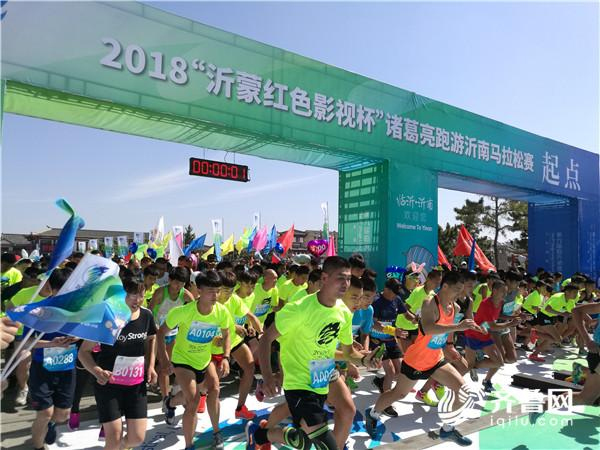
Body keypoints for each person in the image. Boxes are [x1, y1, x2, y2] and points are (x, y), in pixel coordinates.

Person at [246, 256, 380, 450]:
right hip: (299, 383)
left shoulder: (343, 313)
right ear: (324, 278)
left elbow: (349, 352)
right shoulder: (299, 309)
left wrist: (366, 360)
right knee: (323, 443)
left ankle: (259, 435)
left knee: (338, 417)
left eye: (348, 279)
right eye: (340, 278)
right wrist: (267, 377)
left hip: (324, 377)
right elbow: (266, 339)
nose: (345, 283)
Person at [365, 271, 484, 447]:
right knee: (399, 393)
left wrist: (450, 345)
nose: (460, 294)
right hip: (417, 360)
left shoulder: (455, 307)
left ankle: (447, 429)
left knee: (462, 390)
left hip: (436, 359)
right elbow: (428, 329)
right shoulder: (429, 303)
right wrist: (458, 326)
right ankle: (373, 414)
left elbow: (447, 331)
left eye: (462, 290)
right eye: (457, 289)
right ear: (445, 286)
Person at [78, 276, 157, 450]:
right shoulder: (108, 317)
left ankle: (121, 447)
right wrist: (97, 371)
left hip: (136, 385)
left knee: (137, 438)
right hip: (109, 385)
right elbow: (83, 352)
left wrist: (151, 366)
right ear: (121, 294)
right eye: (132, 294)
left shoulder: (146, 315)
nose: (137, 299)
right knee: (113, 438)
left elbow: (152, 339)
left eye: (141, 294)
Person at [157, 270, 232, 450]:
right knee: (193, 401)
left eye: (218, 291)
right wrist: (165, 360)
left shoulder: (221, 311)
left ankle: (216, 432)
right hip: (183, 361)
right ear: (199, 290)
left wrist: (226, 357)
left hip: (204, 360)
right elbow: (160, 334)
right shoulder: (182, 312)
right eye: (210, 291)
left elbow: (227, 333)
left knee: (214, 389)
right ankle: (189, 445)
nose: (215, 296)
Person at [26, 268, 80, 450]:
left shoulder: (78, 310)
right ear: (51, 288)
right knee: (45, 413)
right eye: (62, 291)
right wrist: (51, 343)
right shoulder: (38, 310)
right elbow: (28, 342)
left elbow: (84, 332)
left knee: (62, 415)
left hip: (67, 368)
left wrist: (76, 338)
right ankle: (39, 446)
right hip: (42, 369)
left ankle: (50, 424)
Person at [211, 270, 260, 420]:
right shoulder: (209, 302)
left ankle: (240, 408)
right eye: (226, 290)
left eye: (231, 290)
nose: (229, 294)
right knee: (211, 385)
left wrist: (262, 333)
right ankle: (193, 396)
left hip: (232, 340)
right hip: (212, 345)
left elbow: (251, 316)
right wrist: (216, 337)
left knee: (250, 367)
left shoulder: (234, 299)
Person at [464, 280, 520, 392]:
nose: (505, 294)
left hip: (486, 336)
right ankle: (443, 381)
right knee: (466, 366)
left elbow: (497, 317)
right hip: (473, 335)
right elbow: (493, 326)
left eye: (506, 291)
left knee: (499, 362)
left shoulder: (500, 302)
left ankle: (482, 375)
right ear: (494, 291)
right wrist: (510, 323)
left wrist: (516, 316)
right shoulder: (485, 304)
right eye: (503, 291)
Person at [149, 267, 195, 401]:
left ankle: (158, 383)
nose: (178, 286)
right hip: (158, 333)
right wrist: (155, 328)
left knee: (169, 364)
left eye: (182, 283)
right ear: (169, 280)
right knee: (164, 364)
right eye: (176, 282)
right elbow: (149, 312)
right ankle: (165, 397)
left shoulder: (186, 295)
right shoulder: (160, 293)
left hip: (173, 333)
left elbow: (195, 311)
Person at [369, 278, 409, 415]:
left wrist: (417, 319)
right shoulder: (376, 302)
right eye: (393, 292)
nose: (395, 296)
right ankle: (386, 404)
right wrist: (393, 331)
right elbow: (374, 324)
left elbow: (407, 314)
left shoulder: (396, 299)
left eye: (397, 293)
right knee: (390, 372)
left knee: (400, 371)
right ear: (385, 289)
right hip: (377, 341)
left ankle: (381, 382)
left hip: (391, 340)